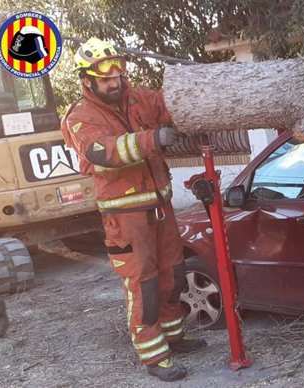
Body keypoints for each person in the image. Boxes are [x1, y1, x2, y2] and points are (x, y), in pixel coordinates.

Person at [61, 38, 206, 381]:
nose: (114, 81)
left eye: (117, 72)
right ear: (87, 79)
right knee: (145, 286)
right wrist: (151, 140)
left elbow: (172, 106)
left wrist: (198, 94)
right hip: (126, 219)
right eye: (105, 76)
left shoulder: (140, 97)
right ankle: (154, 355)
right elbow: (102, 152)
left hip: (160, 206)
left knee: (174, 274)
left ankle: (174, 337)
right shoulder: (80, 117)